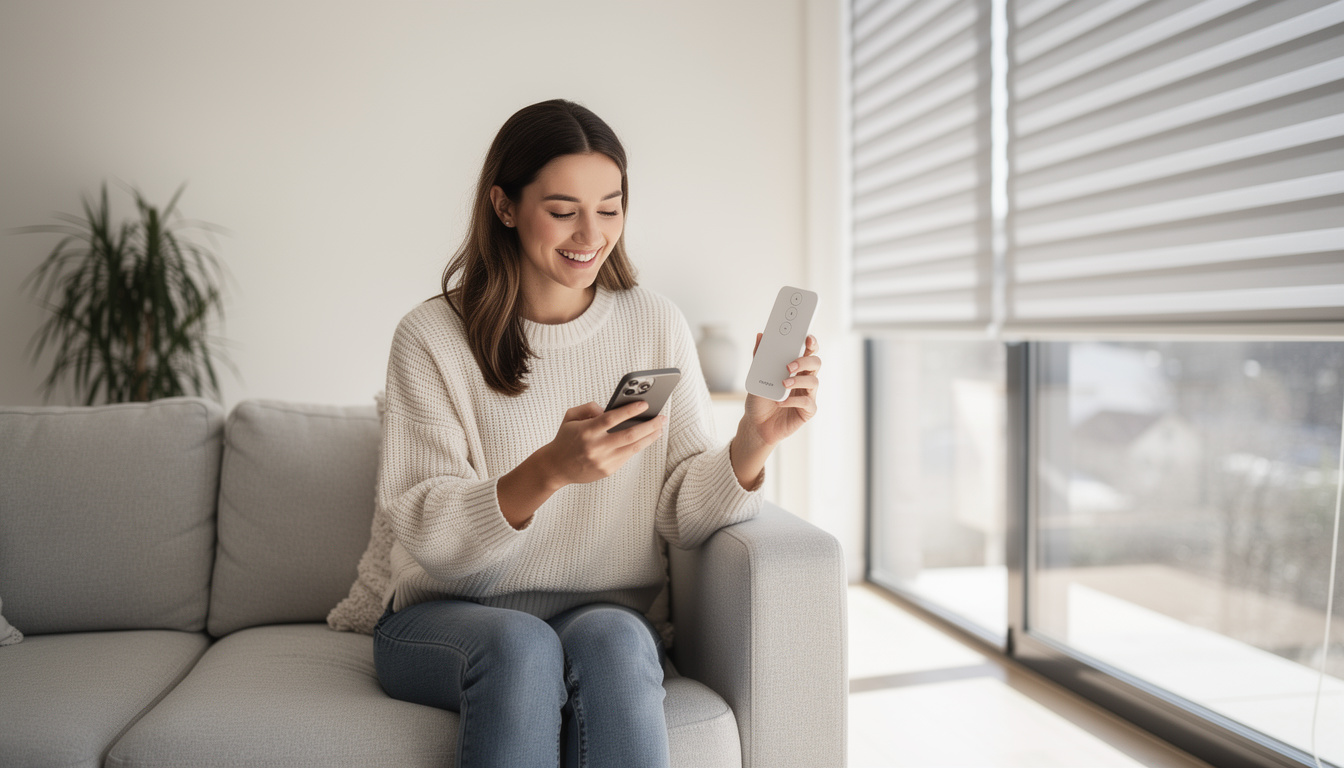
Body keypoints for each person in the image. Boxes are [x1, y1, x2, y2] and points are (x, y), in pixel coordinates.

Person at [371, 98, 822, 768]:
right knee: (521, 647)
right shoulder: (431, 338)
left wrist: (752, 441)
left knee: (617, 640)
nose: (591, 233)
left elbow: (681, 512)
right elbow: (429, 535)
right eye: (562, 210)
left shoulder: (654, 322)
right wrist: (547, 471)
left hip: (600, 610)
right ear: (504, 205)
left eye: (610, 207)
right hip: (446, 616)